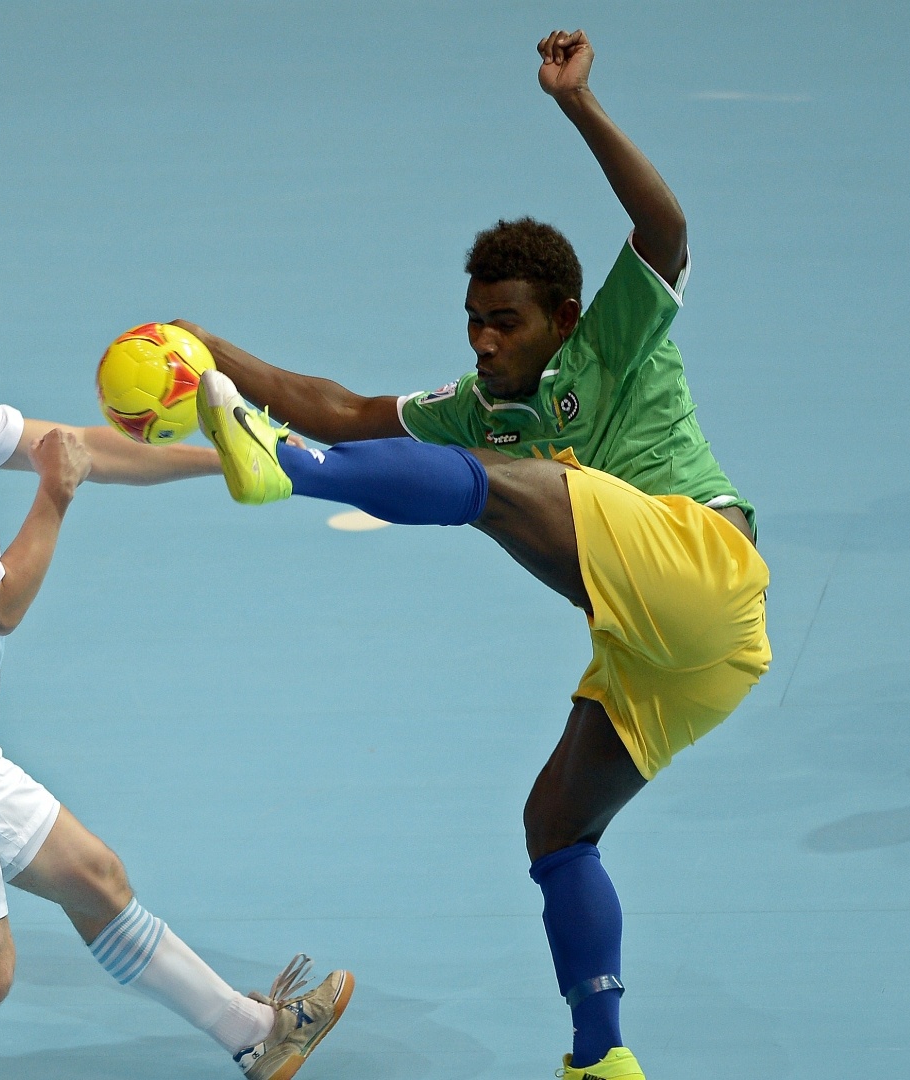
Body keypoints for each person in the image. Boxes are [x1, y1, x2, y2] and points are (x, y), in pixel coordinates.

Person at [176, 30, 768, 1080]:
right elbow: (352, 408)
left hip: (708, 564)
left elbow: (664, 228)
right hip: (678, 656)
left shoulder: (613, 339)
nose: (484, 344)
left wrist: (578, 104)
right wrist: (213, 353)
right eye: (473, 326)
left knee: (512, 494)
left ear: (564, 320)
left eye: (504, 325)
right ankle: (603, 1060)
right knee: (556, 827)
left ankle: (284, 474)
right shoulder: (477, 406)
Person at [0, 278, 351, 1080]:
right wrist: (54, 498)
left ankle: (255, 1034)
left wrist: (225, 459)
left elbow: (79, 445)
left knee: (94, 877)